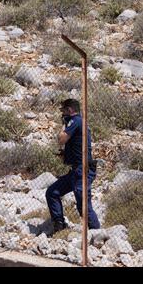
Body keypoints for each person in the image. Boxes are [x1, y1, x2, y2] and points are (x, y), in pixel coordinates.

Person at [46, 99, 101, 235]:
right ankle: (59, 225)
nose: (62, 114)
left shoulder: (75, 121)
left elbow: (61, 139)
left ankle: (96, 234)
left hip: (82, 170)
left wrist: (63, 124)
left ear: (70, 110)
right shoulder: (78, 122)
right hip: (76, 170)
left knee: (83, 204)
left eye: (64, 111)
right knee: (52, 192)